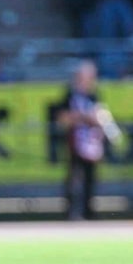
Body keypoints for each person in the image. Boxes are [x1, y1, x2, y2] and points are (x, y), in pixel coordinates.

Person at [56, 60, 105, 221]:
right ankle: (71, 213)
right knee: (73, 178)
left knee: (90, 179)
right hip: (74, 143)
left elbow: (100, 117)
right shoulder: (70, 94)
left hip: (91, 144)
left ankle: (88, 213)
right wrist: (83, 117)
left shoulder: (94, 96)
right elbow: (62, 118)